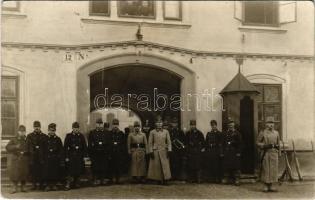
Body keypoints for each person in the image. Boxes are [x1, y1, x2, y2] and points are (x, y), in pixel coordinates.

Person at [257, 116, 280, 192]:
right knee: (266, 169)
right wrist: (264, 145)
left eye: (272, 123)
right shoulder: (263, 133)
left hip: (274, 153)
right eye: (269, 123)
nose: (271, 125)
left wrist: (279, 152)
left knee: (273, 170)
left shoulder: (276, 133)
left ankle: (271, 185)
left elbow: (278, 143)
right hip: (266, 153)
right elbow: (257, 143)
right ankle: (265, 185)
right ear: (266, 124)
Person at [147, 116, 172, 185]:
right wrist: (151, 151)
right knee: (157, 166)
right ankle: (158, 179)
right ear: (155, 123)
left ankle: (165, 179)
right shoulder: (152, 132)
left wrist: (169, 150)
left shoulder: (166, 132)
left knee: (165, 165)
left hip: (164, 150)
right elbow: (150, 143)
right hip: (156, 151)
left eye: (160, 122)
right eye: (157, 122)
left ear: (162, 123)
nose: (159, 124)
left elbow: (169, 142)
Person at [64, 122, 87, 190]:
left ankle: (75, 183)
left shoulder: (81, 136)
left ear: (78, 128)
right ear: (72, 128)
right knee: (70, 171)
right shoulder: (69, 136)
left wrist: (85, 156)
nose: (76, 129)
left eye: (77, 128)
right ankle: (68, 184)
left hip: (79, 156)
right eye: (74, 128)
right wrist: (66, 157)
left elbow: (84, 147)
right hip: (71, 156)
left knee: (78, 170)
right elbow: (65, 147)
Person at [6, 125, 29, 193]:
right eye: (21, 131)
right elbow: (7, 147)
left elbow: (30, 148)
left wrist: (26, 152)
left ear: (25, 132)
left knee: (24, 173)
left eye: (23, 131)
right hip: (16, 159)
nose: (22, 133)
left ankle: (23, 187)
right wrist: (15, 146)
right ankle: (14, 187)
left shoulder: (27, 139)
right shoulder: (14, 139)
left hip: (24, 159)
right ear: (18, 132)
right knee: (15, 174)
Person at [26, 120, 48, 190]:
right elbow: (27, 146)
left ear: (40, 127)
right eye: (35, 127)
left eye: (38, 126)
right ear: (33, 127)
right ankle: (34, 185)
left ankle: (41, 185)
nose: (37, 128)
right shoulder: (30, 136)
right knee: (33, 171)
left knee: (41, 171)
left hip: (41, 157)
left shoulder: (44, 136)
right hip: (33, 157)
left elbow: (46, 147)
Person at [88, 118, 109, 186]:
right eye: (98, 124)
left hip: (103, 152)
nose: (99, 125)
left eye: (100, 124)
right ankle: (95, 180)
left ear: (102, 124)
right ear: (96, 124)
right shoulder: (92, 132)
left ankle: (102, 180)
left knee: (103, 166)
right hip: (95, 153)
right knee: (95, 167)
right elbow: (90, 143)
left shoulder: (106, 132)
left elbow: (108, 143)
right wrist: (91, 153)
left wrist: (106, 152)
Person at [43, 123, 64, 191]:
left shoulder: (58, 139)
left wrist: (58, 157)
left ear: (55, 131)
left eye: (53, 130)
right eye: (50, 130)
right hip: (47, 158)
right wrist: (43, 158)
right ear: (48, 130)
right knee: (47, 172)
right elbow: (42, 149)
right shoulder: (45, 139)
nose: (51, 132)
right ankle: (48, 186)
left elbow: (61, 149)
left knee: (55, 172)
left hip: (55, 158)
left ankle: (54, 185)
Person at [222, 120, 242, 186]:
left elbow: (240, 144)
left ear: (234, 126)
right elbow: (222, 143)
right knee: (226, 165)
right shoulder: (225, 133)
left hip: (234, 152)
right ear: (228, 126)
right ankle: (226, 178)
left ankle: (237, 179)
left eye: (232, 125)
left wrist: (238, 152)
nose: (230, 127)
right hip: (227, 152)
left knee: (236, 166)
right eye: (229, 125)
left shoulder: (237, 133)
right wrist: (222, 152)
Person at [108, 118, 126, 184]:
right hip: (111, 153)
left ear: (118, 125)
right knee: (111, 167)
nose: (115, 126)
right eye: (114, 124)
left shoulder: (121, 134)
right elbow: (108, 144)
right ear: (112, 125)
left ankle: (117, 179)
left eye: (116, 124)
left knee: (118, 167)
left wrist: (122, 153)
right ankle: (111, 180)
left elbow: (123, 144)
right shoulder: (109, 133)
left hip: (118, 153)